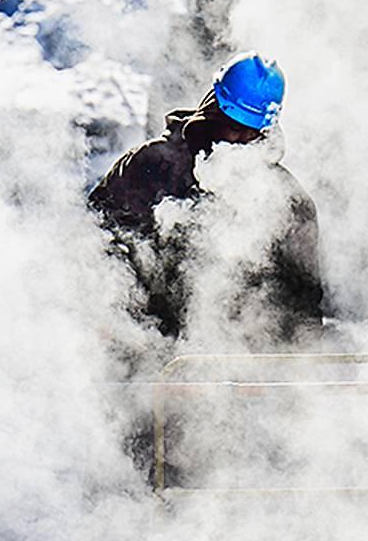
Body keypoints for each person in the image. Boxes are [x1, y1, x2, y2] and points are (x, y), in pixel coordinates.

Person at [90, 53, 324, 351]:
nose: (241, 140)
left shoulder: (287, 199)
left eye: (253, 133)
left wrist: (301, 366)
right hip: (150, 353)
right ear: (213, 112)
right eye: (234, 126)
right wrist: (123, 327)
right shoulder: (150, 167)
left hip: (245, 363)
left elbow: (302, 298)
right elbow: (98, 244)